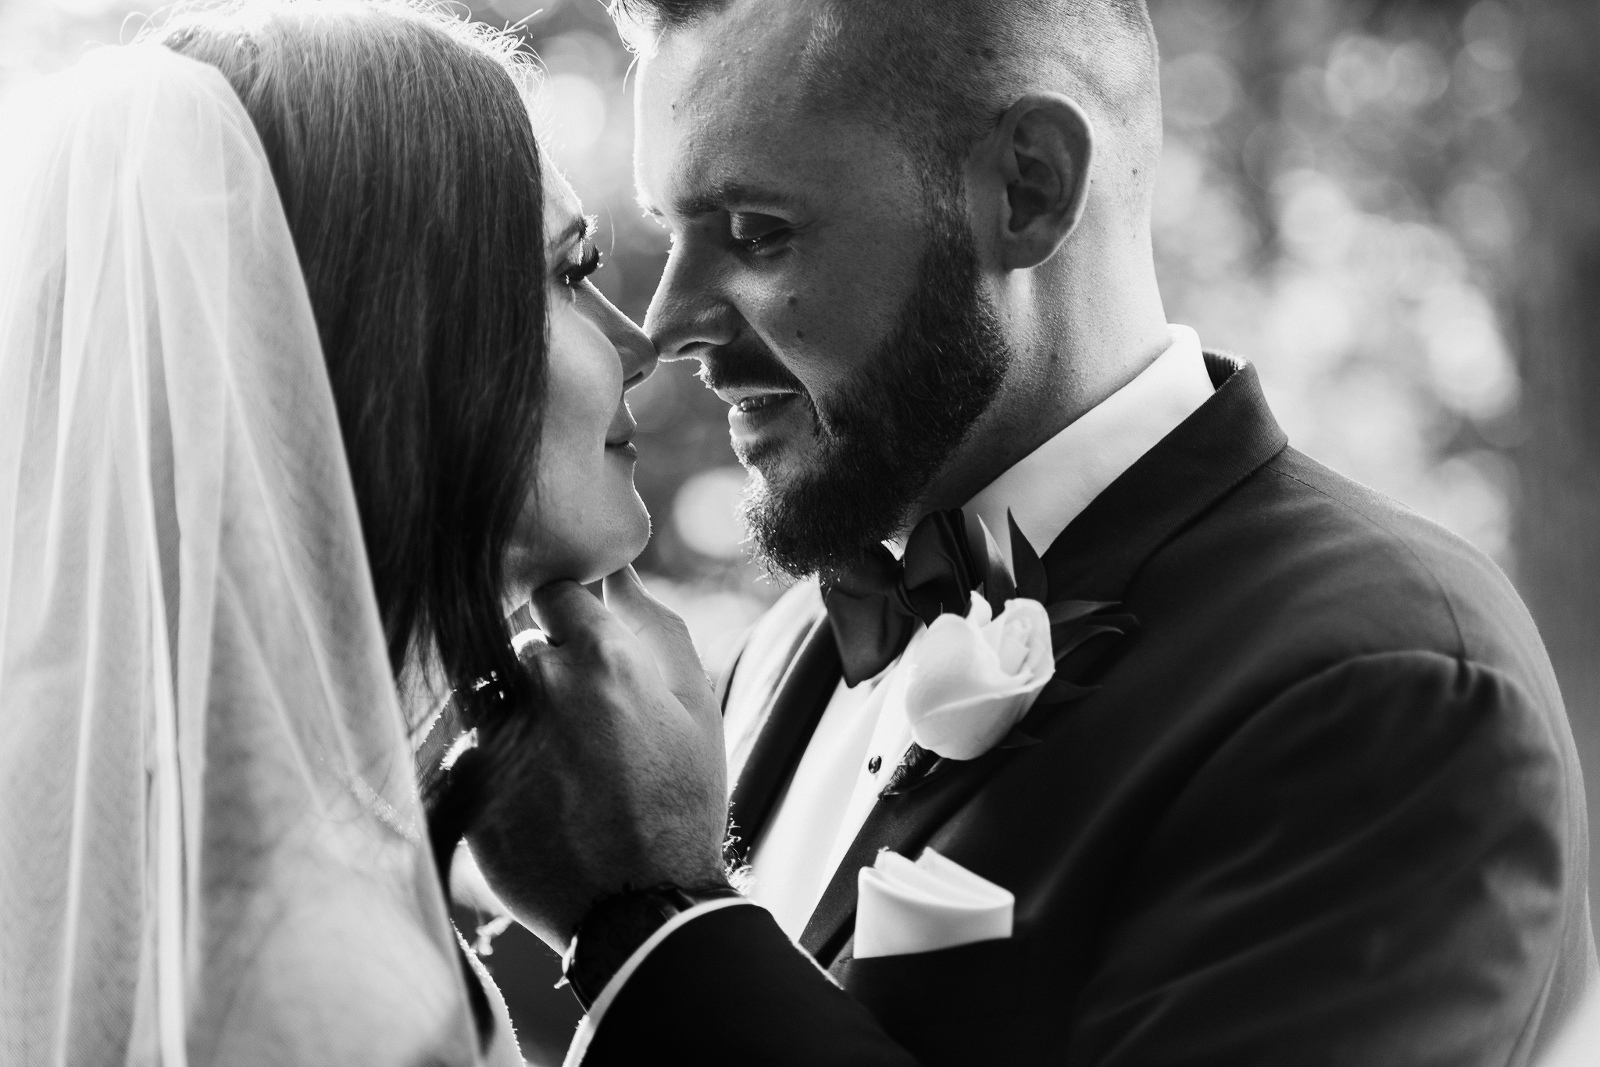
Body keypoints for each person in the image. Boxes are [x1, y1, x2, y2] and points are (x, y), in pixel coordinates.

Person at [464, 1, 1599, 1064]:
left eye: (757, 233)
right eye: (672, 232)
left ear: (1029, 188)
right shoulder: (801, 637)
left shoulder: (1386, 689)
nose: (667, 327)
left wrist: (653, 920)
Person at [0, 2, 665, 1062]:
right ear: (418, 347)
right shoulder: (314, 980)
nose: (641, 344)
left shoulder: (204, 869)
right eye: (570, 274)